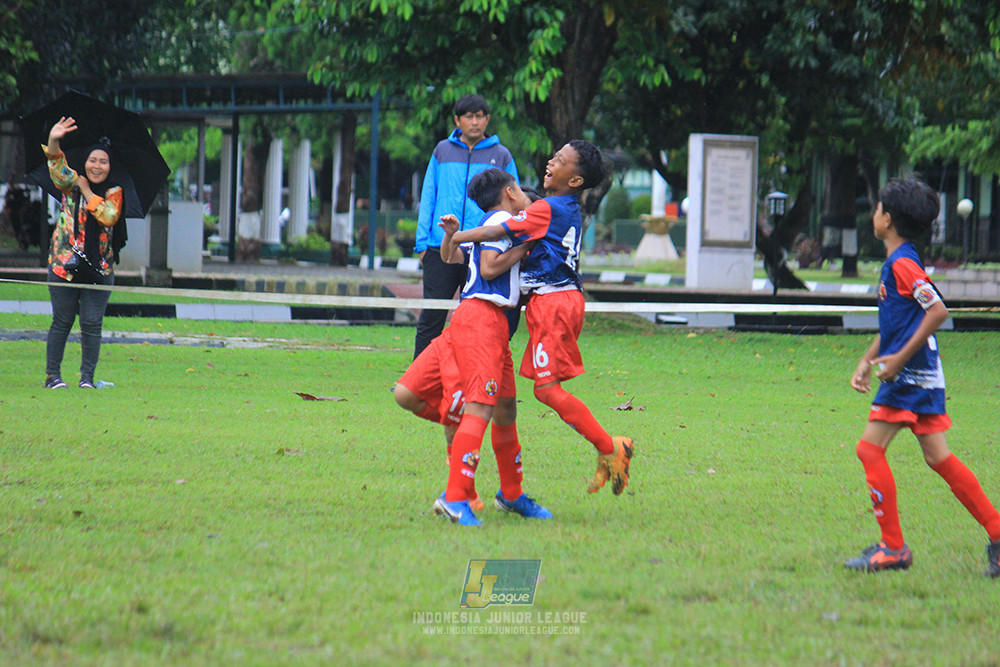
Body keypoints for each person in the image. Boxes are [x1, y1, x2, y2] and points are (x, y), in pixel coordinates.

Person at [452, 140, 635, 497]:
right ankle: (606, 449)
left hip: (554, 305)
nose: (551, 163)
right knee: (542, 390)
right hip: (550, 305)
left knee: (547, 390)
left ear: (576, 181)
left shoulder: (548, 209)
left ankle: (612, 447)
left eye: (561, 161)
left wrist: (456, 236)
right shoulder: (560, 208)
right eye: (554, 156)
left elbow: (494, 232)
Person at [844, 176, 1000, 576]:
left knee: (869, 450)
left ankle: (893, 548)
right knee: (939, 457)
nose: (874, 214)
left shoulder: (904, 264)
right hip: (922, 374)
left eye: (877, 208)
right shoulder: (900, 260)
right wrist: (869, 358)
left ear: (888, 219)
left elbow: (937, 311)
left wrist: (896, 362)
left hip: (911, 377)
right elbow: (901, 322)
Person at [397, 168, 548, 526]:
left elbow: (451, 257)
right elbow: (490, 266)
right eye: (526, 199)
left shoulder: (488, 223)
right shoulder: (504, 222)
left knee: (501, 408)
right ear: (511, 193)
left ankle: (512, 495)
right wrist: (525, 248)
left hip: (481, 321)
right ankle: (454, 498)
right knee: (481, 410)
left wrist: (450, 236)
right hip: (482, 319)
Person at [413, 94, 518, 359]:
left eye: (480, 116)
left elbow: (514, 197)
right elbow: (428, 195)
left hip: (484, 248)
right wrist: (422, 244)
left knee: (477, 315)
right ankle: (419, 379)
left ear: (487, 119)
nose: (474, 122)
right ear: (457, 120)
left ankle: (467, 375)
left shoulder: (501, 154)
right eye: (468, 117)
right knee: (432, 317)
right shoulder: (441, 151)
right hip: (442, 246)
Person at [41, 117, 125, 390]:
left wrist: (87, 190)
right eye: (92, 160)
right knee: (62, 321)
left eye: (103, 161)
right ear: (84, 162)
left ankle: (87, 379)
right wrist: (54, 139)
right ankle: (53, 376)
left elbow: (108, 216)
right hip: (64, 265)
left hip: (100, 269)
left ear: (110, 166)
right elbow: (56, 168)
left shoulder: (114, 192)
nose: (97, 166)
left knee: (91, 322)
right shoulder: (70, 183)